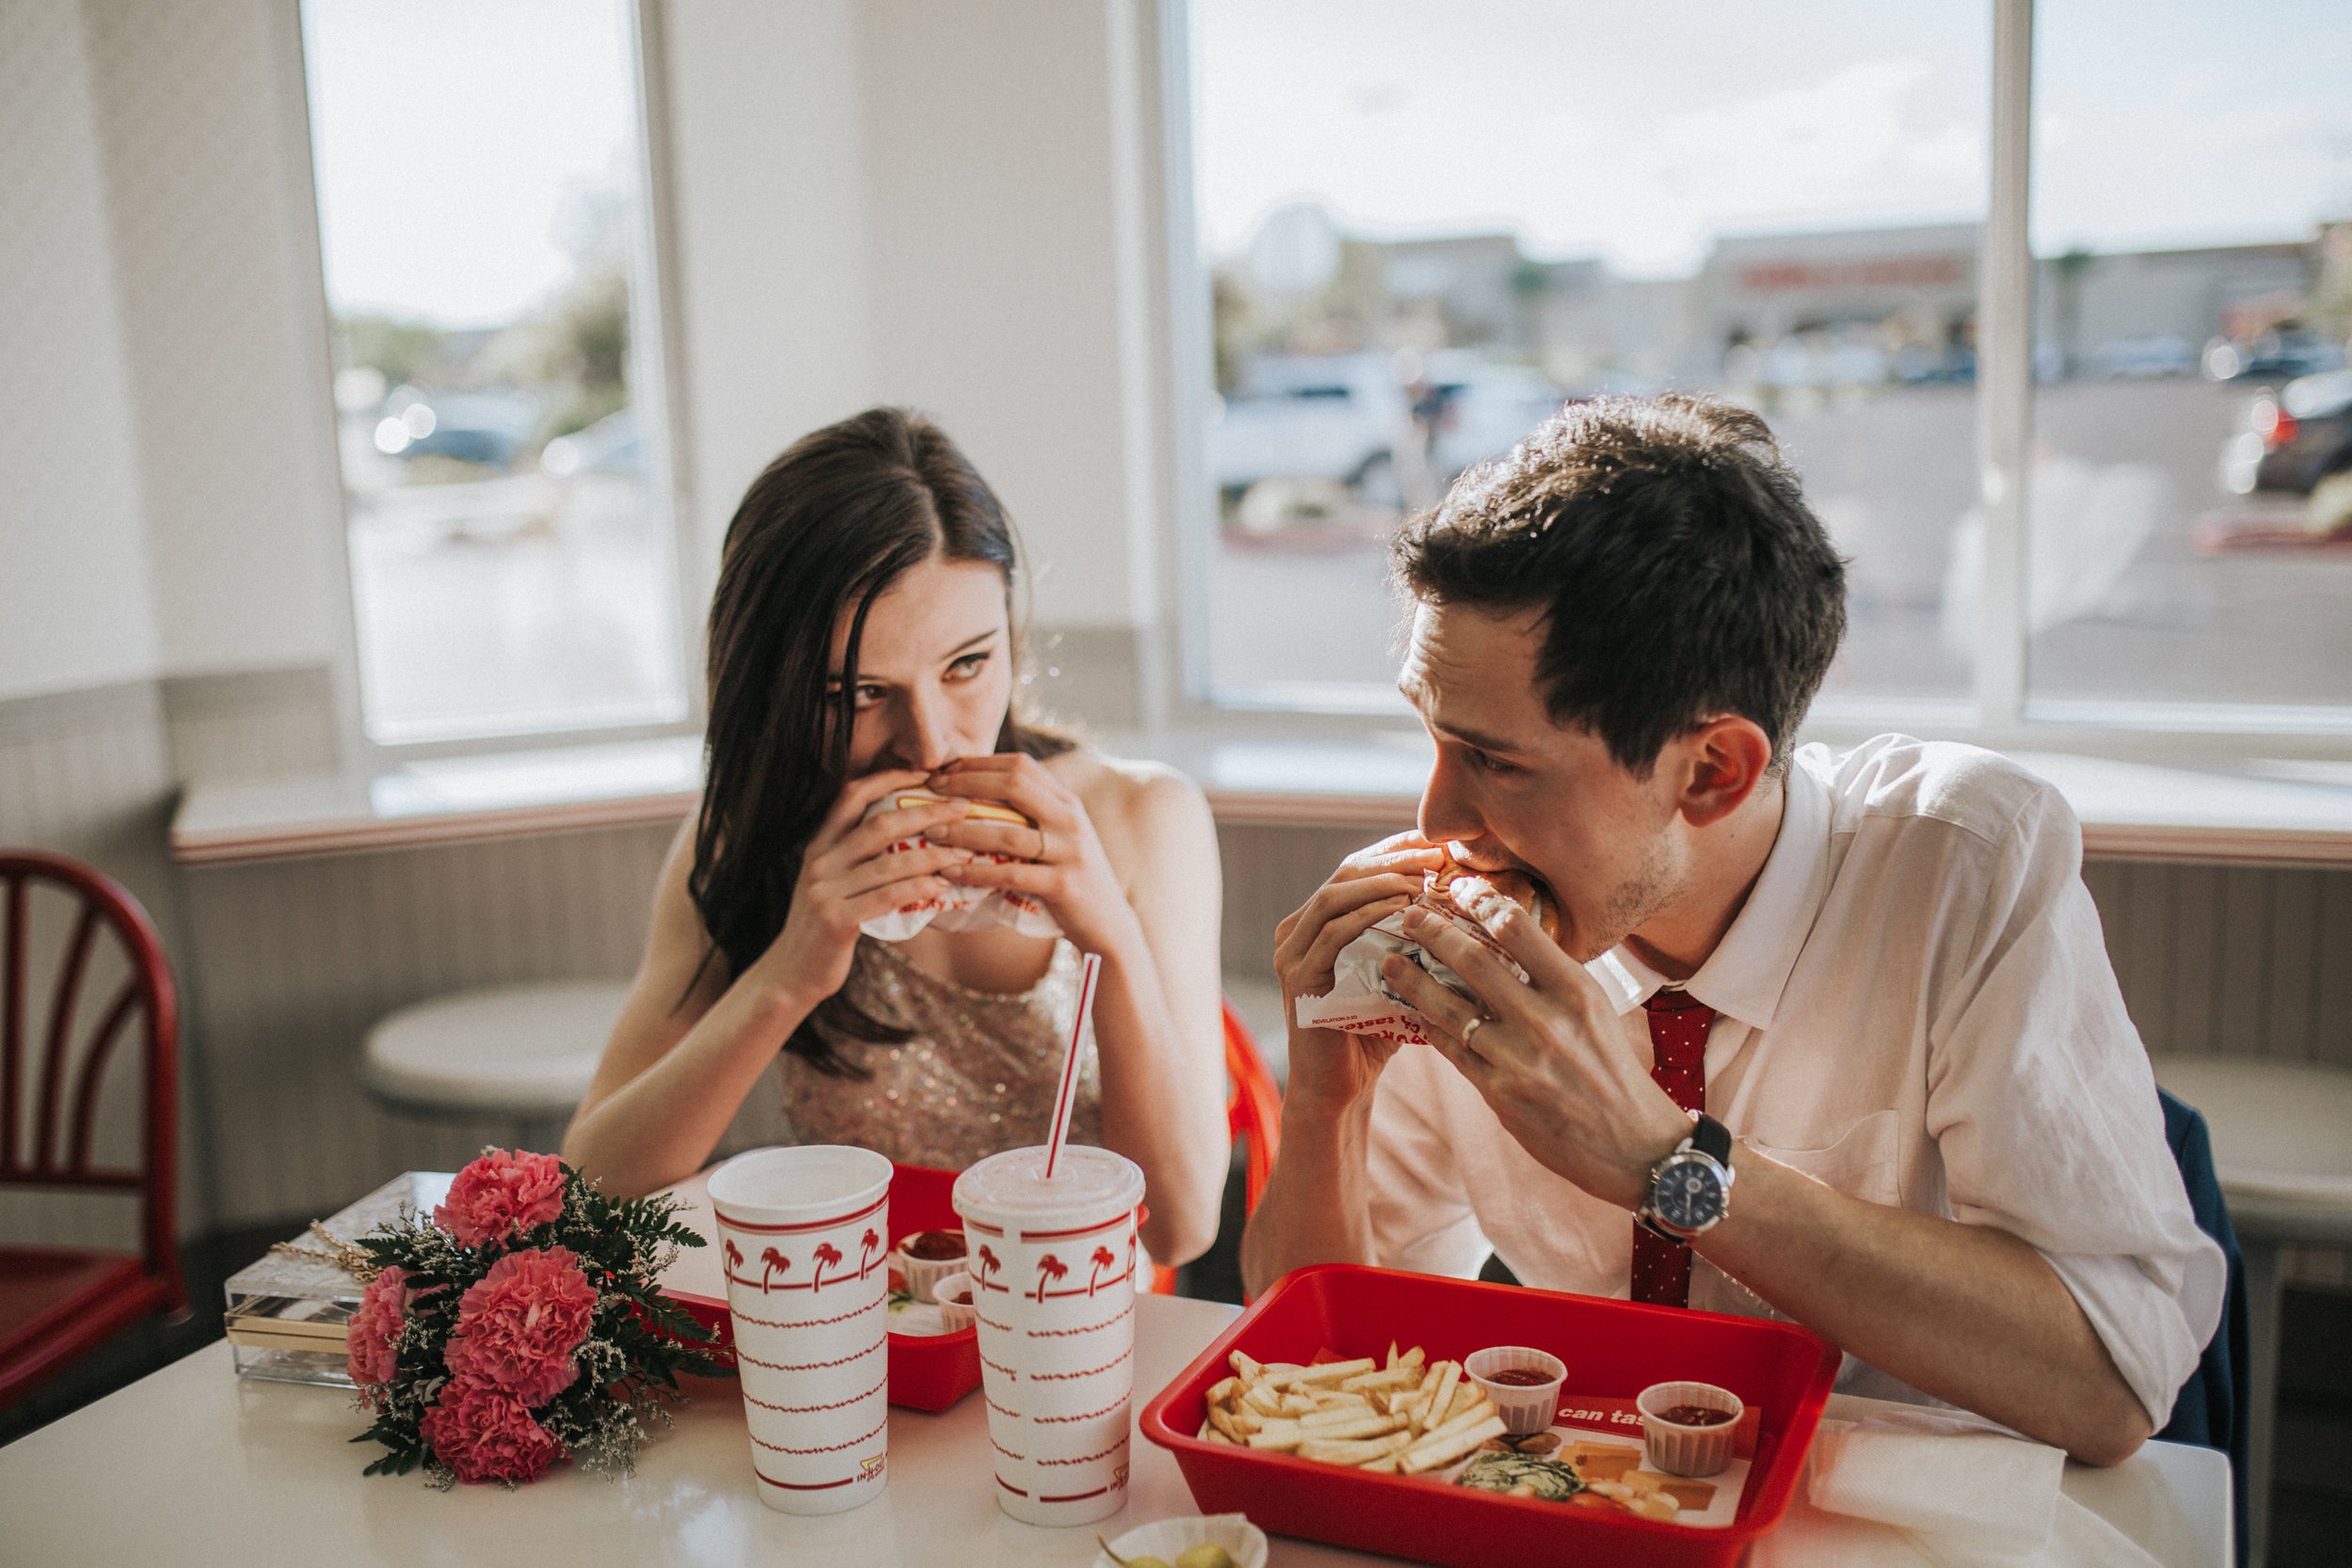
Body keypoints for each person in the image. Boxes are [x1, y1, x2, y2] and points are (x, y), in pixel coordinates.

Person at [1241, 393, 2223, 1464]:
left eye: (1498, 761)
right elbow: (1323, 1372)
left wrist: (1668, 1159)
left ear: (1713, 770)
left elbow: (2108, 1386)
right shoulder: (1472, 938)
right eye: (1432, 738)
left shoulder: (1960, 864)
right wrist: (1328, 1102)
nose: (1435, 821)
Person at [564, 408, 1228, 1267]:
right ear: (777, 690)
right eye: (860, 694)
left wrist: (1110, 933)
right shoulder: (740, 841)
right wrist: (787, 975)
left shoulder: (1142, 815)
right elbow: (590, 1184)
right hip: (858, 1344)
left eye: (967, 665)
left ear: (1012, 633)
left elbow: (1183, 1228)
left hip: (1078, 1345)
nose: (933, 741)